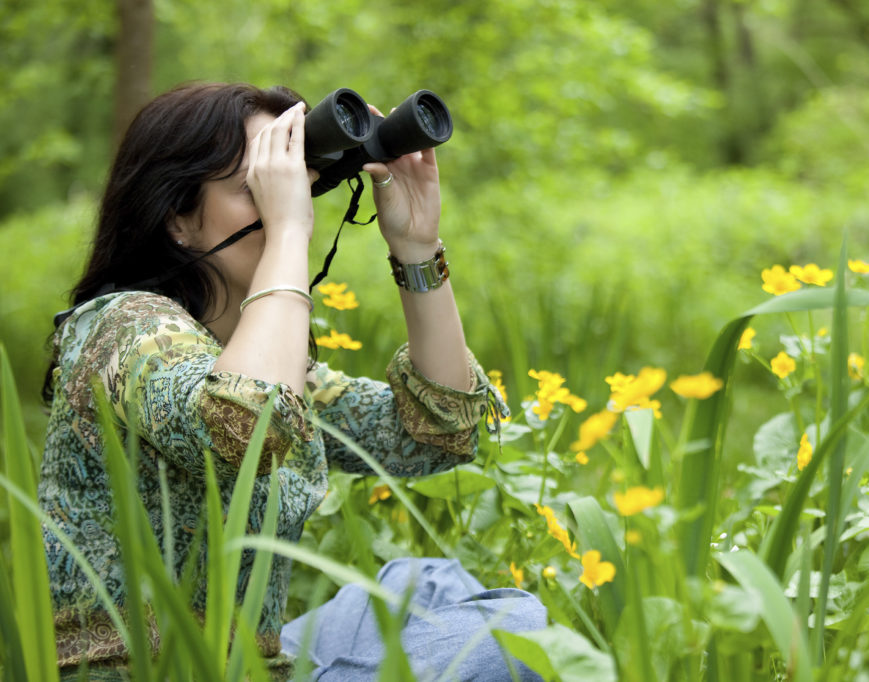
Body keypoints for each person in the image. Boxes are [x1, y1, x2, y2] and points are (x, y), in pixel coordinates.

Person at [38, 82, 544, 680]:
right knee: (510, 631)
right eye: (257, 186)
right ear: (178, 218)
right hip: (159, 671)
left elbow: (435, 435)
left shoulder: (254, 355)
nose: (293, 202)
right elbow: (244, 426)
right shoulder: (122, 328)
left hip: (255, 663)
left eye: (298, 180)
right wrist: (288, 235)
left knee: (426, 582)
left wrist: (417, 247)